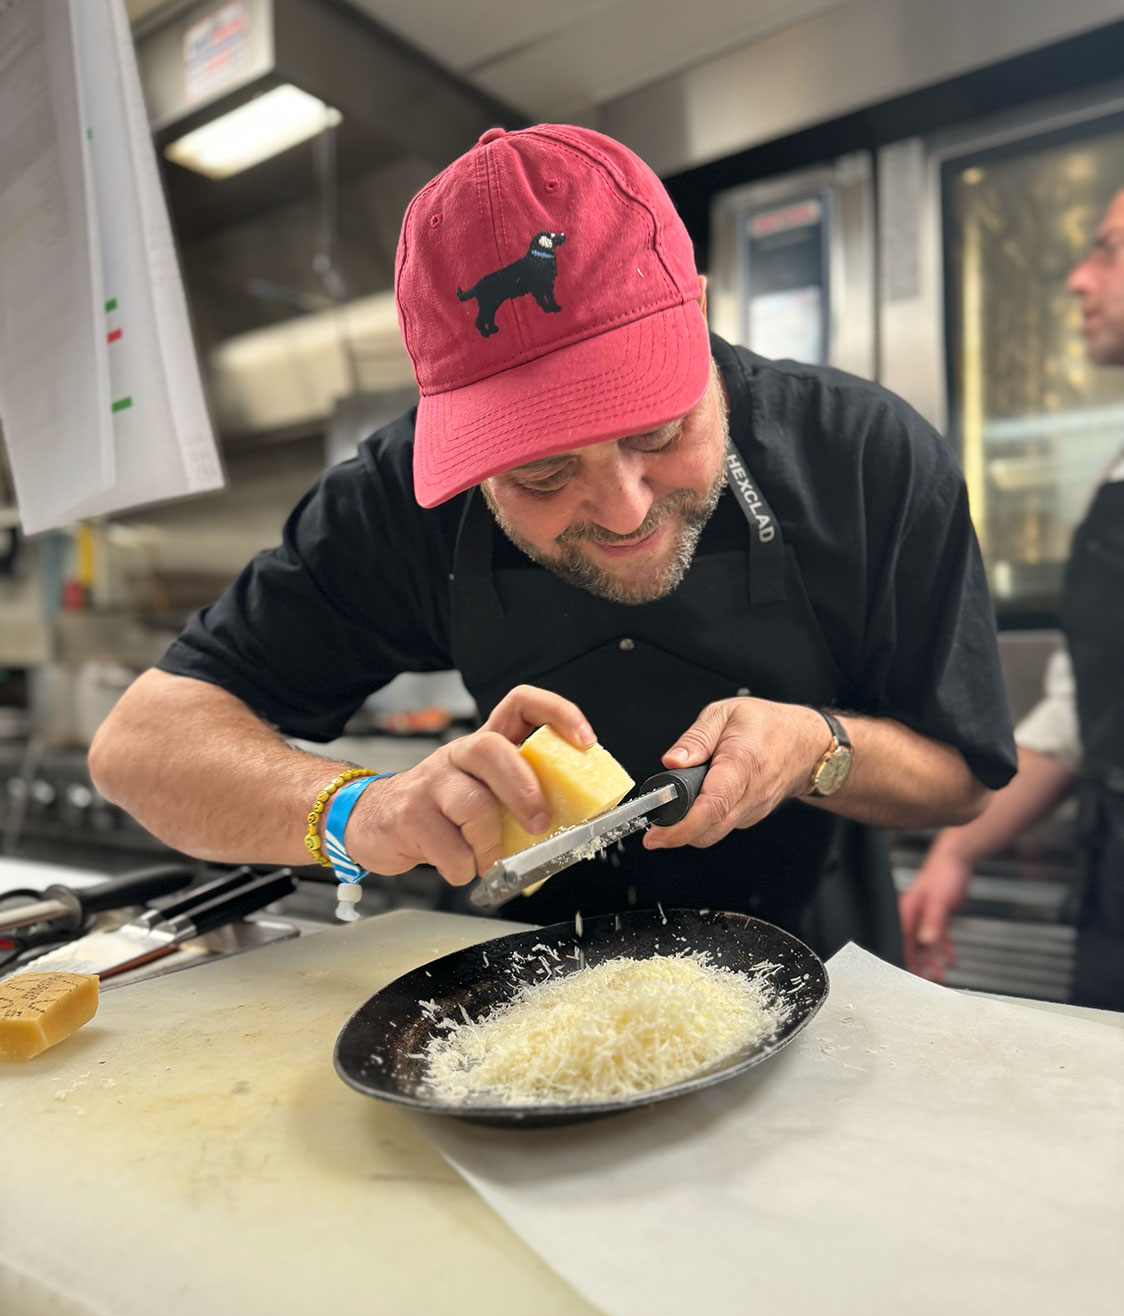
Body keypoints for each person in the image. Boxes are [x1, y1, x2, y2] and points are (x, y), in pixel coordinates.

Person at [88, 124, 1017, 960]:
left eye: (657, 434)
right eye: (540, 476)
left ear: (694, 309)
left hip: (824, 969)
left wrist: (818, 745)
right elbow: (136, 745)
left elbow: (961, 780)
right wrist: (359, 810)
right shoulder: (402, 496)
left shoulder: (864, 455)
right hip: (536, 989)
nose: (622, 511)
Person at [899, 187, 1124, 1009]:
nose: (1077, 278)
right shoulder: (1115, 477)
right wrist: (957, 851)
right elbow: (1081, 715)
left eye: (1107, 248)